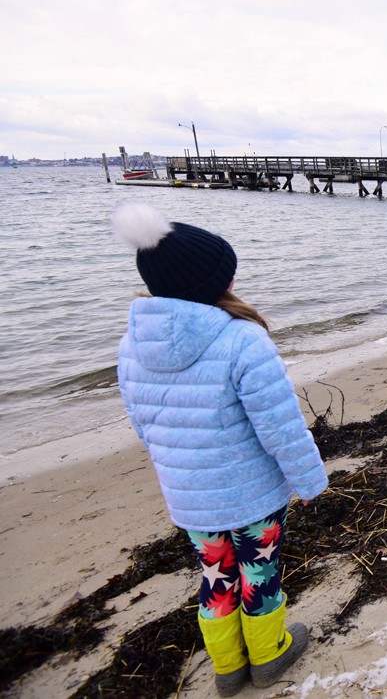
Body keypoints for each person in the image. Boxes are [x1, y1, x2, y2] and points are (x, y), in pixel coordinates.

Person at [112, 202, 328, 695]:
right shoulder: (242, 340)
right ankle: (269, 654)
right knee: (258, 572)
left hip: (190, 496)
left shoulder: (131, 345)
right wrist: (310, 480)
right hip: (251, 494)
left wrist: (177, 464)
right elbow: (281, 427)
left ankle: (228, 667)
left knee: (215, 577)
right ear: (215, 284)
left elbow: (143, 425)